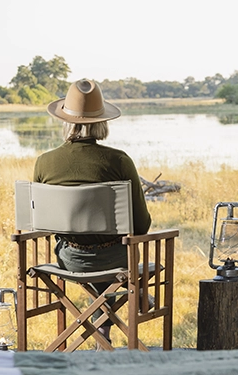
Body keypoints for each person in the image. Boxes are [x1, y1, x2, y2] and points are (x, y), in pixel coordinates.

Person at [33, 79, 151, 347]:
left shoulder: (44, 162)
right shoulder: (119, 160)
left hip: (69, 261)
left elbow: (42, 221)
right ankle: (127, 306)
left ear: (65, 120)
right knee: (113, 259)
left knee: (95, 257)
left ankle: (102, 334)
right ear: (102, 122)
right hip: (116, 260)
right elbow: (141, 226)